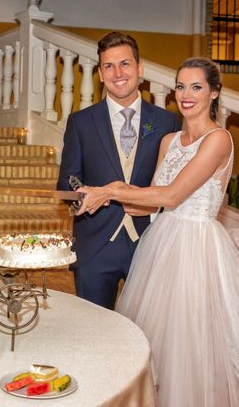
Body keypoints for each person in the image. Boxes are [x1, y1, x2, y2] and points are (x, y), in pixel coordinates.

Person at [77, 57, 239, 406]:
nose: (185, 94)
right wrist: (102, 197)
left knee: (195, 342)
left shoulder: (219, 140)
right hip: (162, 246)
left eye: (196, 86)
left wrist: (111, 189)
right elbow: (151, 203)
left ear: (214, 93)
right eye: (181, 86)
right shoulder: (168, 142)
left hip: (199, 249)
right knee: (157, 340)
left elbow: (173, 194)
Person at [57, 31, 180, 309]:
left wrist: (153, 206)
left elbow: (176, 185)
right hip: (95, 247)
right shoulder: (81, 122)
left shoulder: (167, 122)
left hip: (150, 243)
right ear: (100, 73)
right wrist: (85, 194)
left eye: (125, 63)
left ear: (140, 68)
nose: (117, 73)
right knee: (94, 333)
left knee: (149, 334)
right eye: (108, 66)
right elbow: (66, 182)